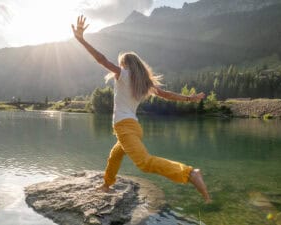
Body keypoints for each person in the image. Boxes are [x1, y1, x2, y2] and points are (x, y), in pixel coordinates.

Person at [72, 15, 211, 203]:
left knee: (145, 163)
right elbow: (167, 94)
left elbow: (101, 59)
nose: (119, 67)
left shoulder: (123, 74)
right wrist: (190, 98)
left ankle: (189, 173)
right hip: (133, 127)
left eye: (121, 64)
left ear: (125, 64)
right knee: (115, 156)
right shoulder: (143, 83)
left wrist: (81, 40)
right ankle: (107, 185)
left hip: (125, 127)